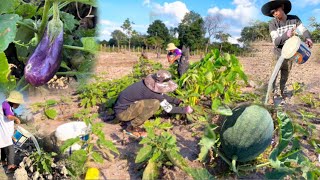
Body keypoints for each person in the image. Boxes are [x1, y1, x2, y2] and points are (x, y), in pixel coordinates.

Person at [113, 70, 193, 137]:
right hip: (122, 113)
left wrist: (176, 101)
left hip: (122, 108)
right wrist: (185, 109)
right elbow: (169, 109)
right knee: (155, 104)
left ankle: (129, 121)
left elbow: (162, 95)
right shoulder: (151, 93)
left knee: (152, 101)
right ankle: (131, 127)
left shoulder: (147, 85)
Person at [261, 0, 313, 104]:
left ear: (282, 7)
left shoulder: (294, 19)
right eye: (272, 13)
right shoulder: (273, 23)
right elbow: (276, 42)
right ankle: (271, 96)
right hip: (278, 54)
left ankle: (282, 92)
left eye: (276, 10)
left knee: (285, 75)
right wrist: (286, 35)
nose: (275, 13)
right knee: (274, 75)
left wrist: (308, 38)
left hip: (290, 54)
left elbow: (303, 30)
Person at [1, 91, 23, 173]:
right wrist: (16, 118)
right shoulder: (6, 105)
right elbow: (9, 117)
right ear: (14, 102)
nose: (19, 105)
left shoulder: (6, 104)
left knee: (3, 146)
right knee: (10, 148)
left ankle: (3, 161)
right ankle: (10, 166)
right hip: (4, 131)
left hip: (4, 130)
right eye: (18, 104)